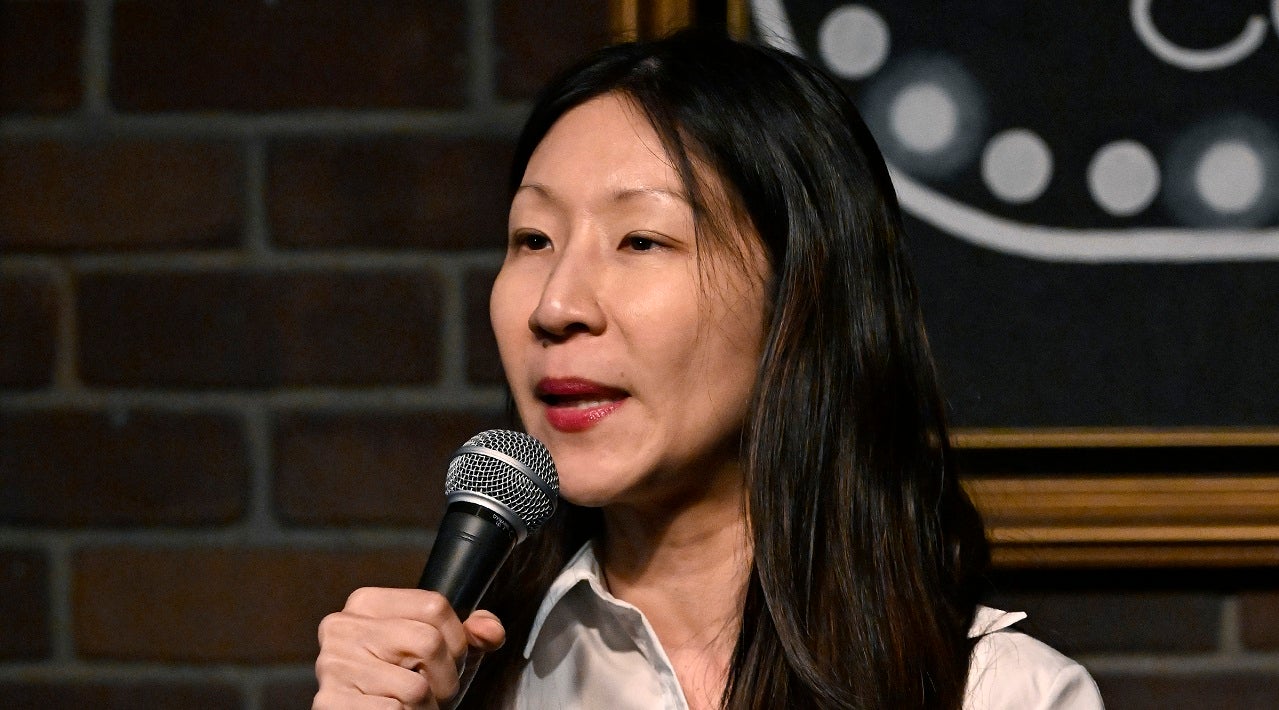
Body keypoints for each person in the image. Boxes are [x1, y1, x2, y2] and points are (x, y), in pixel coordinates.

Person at [312, 30, 1105, 710]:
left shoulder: (999, 693)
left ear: (799, 294)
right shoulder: (461, 685)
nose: (555, 305)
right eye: (533, 240)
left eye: (640, 240)